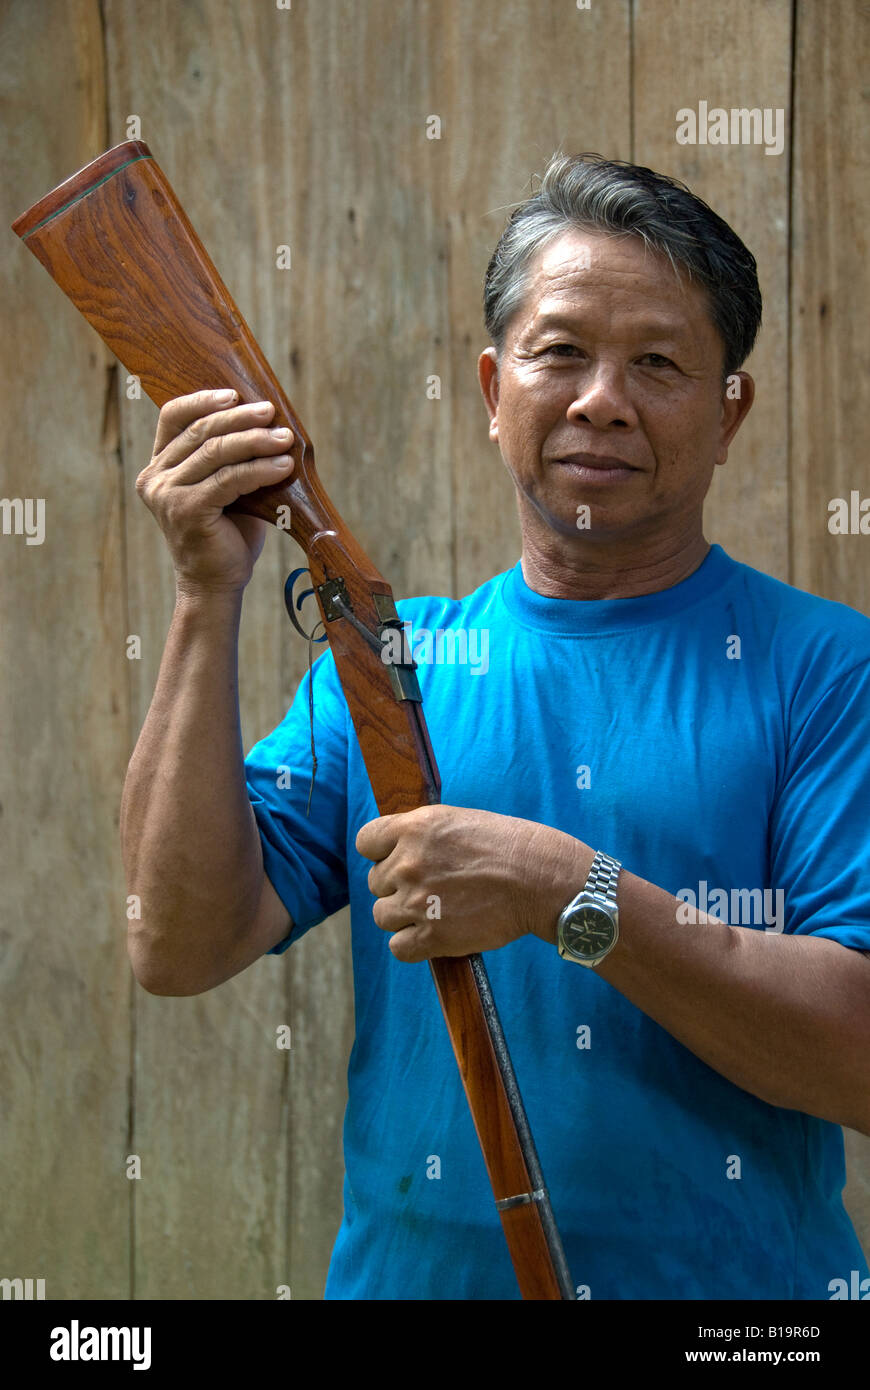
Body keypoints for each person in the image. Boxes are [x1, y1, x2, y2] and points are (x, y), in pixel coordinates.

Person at [122, 153, 870, 1301]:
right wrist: (202, 593)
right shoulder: (386, 667)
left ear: (732, 412)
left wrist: (569, 894)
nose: (600, 399)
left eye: (658, 362)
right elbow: (176, 943)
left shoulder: (828, 669)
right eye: (560, 351)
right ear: (489, 389)